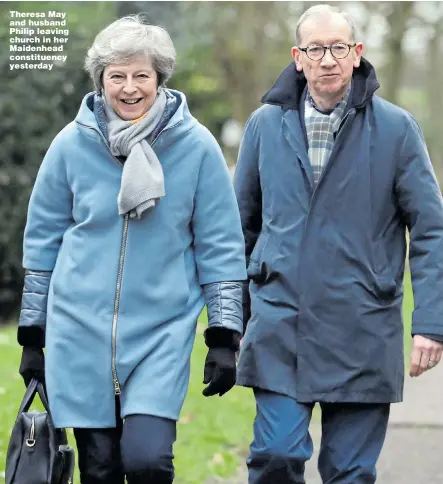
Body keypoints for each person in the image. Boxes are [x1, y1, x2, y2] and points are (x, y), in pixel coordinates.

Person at [17, 14, 247, 484]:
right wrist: (31, 334)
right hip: (78, 333)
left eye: (141, 75)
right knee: (99, 470)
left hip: (161, 333)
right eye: (116, 76)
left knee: (148, 461)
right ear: (100, 81)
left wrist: (224, 335)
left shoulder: (198, 148)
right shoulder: (69, 146)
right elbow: (42, 245)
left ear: (159, 78)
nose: (129, 88)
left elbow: (221, 246)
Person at [234, 4, 443, 483]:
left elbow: (431, 229)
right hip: (280, 325)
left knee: (350, 472)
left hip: (363, 328)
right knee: (276, 456)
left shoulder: (397, 130)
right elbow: (239, 229)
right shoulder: (264, 126)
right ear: (298, 57)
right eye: (315, 49)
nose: (327, 59)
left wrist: (430, 322)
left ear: (356, 54)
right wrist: (233, 318)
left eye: (338, 48)